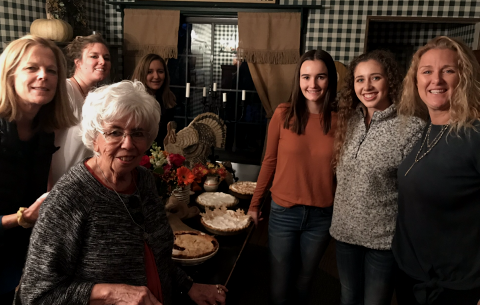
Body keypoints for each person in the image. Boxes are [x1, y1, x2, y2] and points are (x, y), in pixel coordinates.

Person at [16, 80, 227, 305]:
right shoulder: (70, 197)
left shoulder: (144, 180)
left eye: (137, 133)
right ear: (94, 139)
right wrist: (110, 293)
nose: (128, 144)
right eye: (115, 132)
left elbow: (155, 255)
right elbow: (35, 295)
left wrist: (188, 285)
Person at [329, 50, 424, 305]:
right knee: (348, 297)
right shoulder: (348, 122)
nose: (367, 86)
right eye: (360, 80)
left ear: (389, 81)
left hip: (383, 241)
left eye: (375, 78)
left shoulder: (411, 128)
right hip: (345, 232)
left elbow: (415, 193)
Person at [393, 36, 480, 305]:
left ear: (464, 77)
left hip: (455, 287)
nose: (436, 80)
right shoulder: (426, 130)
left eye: (448, 71)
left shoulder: (475, 135)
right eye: (427, 71)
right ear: (415, 80)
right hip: (410, 273)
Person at [248, 49, 338, 305]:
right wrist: (254, 205)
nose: (312, 84)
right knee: (279, 286)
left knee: (304, 284)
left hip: (321, 218)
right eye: (306, 77)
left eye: (320, 77)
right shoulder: (283, 113)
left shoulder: (341, 120)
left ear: (329, 79)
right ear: (298, 80)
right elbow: (269, 161)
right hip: (284, 213)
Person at [0, 35, 76, 303]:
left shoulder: (44, 128)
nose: (43, 76)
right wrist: (21, 218)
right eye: (32, 68)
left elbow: (41, 187)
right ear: (10, 75)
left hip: (24, 251)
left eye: (52, 70)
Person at [50, 33, 111, 185]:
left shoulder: (98, 97)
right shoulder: (65, 90)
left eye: (106, 57)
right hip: (60, 184)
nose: (102, 62)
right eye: (94, 56)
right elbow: (45, 144)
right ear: (78, 62)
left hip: (85, 184)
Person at [131, 53, 176, 148]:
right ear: (142, 73)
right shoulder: (132, 100)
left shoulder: (168, 98)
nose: (156, 76)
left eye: (160, 71)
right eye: (149, 72)